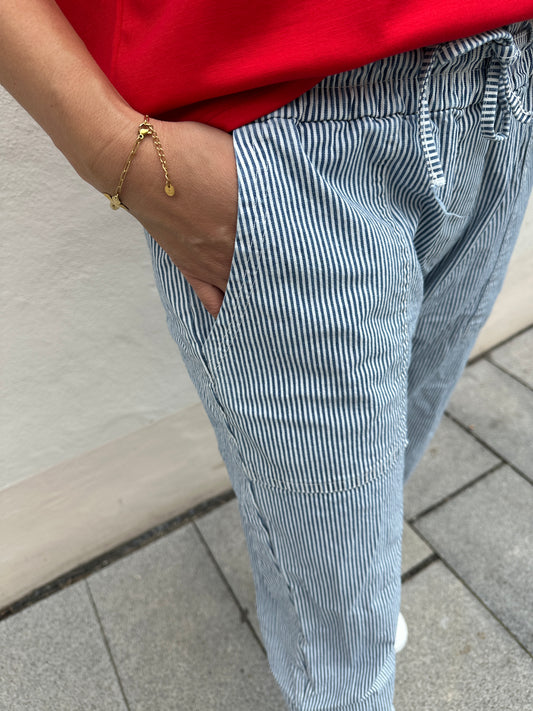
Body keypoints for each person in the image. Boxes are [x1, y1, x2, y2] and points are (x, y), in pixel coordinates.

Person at [2, 2, 532, 709]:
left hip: (502, 86)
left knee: (403, 422)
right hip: (285, 142)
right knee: (339, 628)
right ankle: (336, 637)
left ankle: (340, 599)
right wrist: (112, 152)